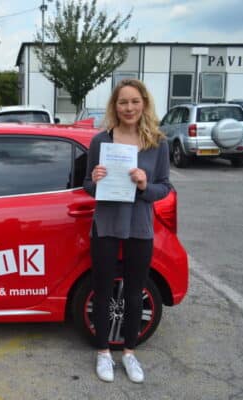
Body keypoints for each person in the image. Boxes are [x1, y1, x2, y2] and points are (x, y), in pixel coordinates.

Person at [83, 79, 170, 383]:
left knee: (134, 294)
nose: (129, 108)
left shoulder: (158, 143)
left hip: (140, 226)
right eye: (123, 102)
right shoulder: (101, 142)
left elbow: (165, 187)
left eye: (134, 101)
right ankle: (103, 352)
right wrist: (95, 178)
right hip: (106, 224)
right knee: (104, 292)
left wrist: (146, 185)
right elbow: (89, 186)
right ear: (115, 106)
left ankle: (130, 353)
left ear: (143, 103)